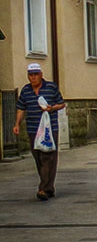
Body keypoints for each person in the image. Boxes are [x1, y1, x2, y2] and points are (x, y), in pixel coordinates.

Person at [14, 62, 66, 201]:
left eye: (36, 75)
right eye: (31, 75)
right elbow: (21, 108)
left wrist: (52, 108)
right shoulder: (25, 90)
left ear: (41, 75)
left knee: (47, 157)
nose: (33, 78)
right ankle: (49, 187)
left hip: (49, 129)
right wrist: (17, 124)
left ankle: (43, 188)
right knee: (38, 157)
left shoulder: (51, 87)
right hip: (33, 128)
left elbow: (62, 103)